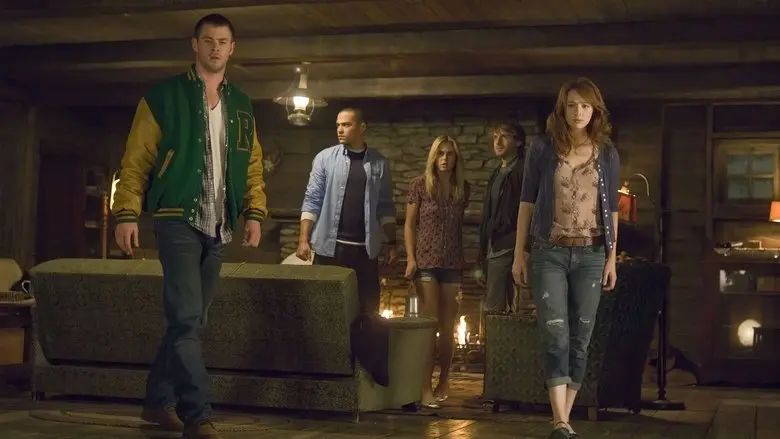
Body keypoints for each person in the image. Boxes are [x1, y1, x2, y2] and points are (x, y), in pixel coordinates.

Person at [111, 14, 267, 439]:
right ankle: (198, 415)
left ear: (232, 48)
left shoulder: (242, 104)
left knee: (192, 321)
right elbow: (136, 159)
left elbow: (252, 163)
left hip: (219, 225)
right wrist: (126, 213)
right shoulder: (163, 97)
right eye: (208, 40)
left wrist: (254, 212)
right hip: (176, 218)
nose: (216, 48)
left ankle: (157, 402)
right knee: (185, 320)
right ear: (194, 45)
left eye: (223, 41)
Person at [511, 77, 620, 439]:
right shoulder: (542, 149)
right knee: (555, 334)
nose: (578, 112)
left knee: (581, 336)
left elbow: (613, 210)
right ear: (562, 108)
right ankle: (560, 421)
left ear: (595, 110)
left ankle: (563, 420)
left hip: (592, 254)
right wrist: (519, 253)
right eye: (572, 105)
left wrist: (611, 259)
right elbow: (526, 203)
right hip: (549, 252)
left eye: (585, 106)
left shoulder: (607, 153)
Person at [296, 107, 398, 315]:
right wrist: (303, 240)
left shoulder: (379, 163)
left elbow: (385, 206)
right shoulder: (324, 158)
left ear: (362, 127)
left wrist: (392, 243)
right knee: (325, 310)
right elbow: (312, 199)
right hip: (330, 249)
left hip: (365, 251)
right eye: (338, 125)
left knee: (367, 311)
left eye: (346, 124)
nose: (340, 130)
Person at [404, 135, 471, 408]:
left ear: (456, 158)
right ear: (433, 157)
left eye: (450, 154)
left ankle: (444, 380)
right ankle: (424, 386)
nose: (444, 158)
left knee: (447, 326)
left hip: (453, 263)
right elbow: (409, 224)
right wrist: (411, 258)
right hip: (426, 262)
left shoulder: (463, 188)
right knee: (429, 324)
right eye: (440, 153)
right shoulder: (419, 186)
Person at [474, 120, 527, 313]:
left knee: (495, 309)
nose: (498, 142)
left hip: (509, 245)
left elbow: (526, 211)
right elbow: (488, 216)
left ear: (518, 141)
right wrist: (481, 258)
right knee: (495, 307)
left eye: (504, 136)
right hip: (494, 245)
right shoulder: (497, 173)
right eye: (495, 137)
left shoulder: (524, 170)